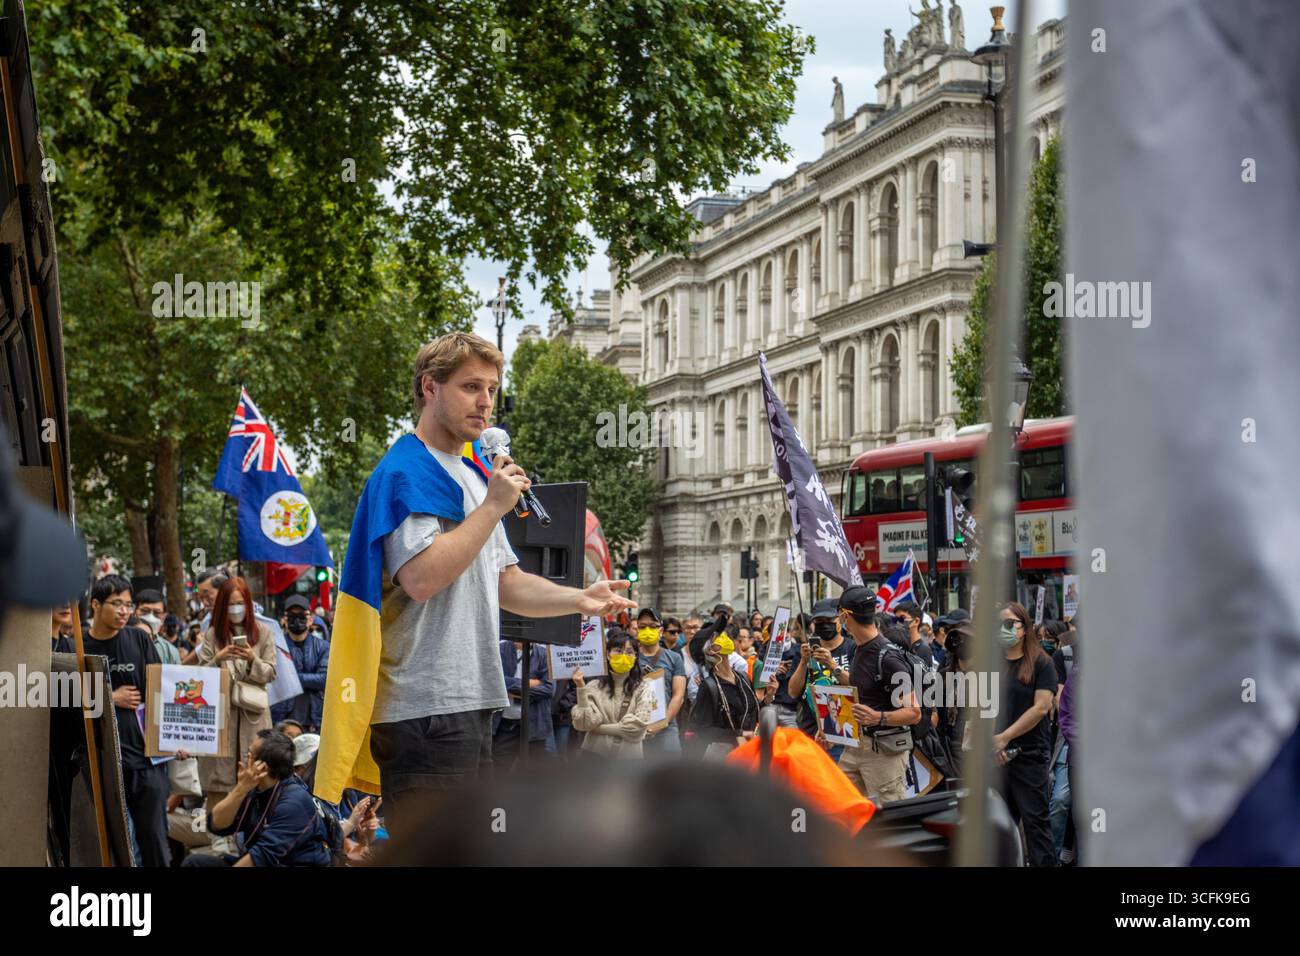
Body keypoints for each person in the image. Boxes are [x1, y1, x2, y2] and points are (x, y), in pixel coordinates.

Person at [345, 331, 633, 841]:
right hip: (426, 706)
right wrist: (494, 507)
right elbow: (421, 578)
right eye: (470, 386)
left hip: (471, 701)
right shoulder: (408, 471)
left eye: (493, 389)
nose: (485, 402)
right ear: (429, 388)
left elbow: (505, 581)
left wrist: (579, 599)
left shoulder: (477, 478)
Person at [86, 574, 171, 866]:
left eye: (128, 604)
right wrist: (111, 697)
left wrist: (178, 738)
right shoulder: (77, 645)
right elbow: (61, 698)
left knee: (155, 840)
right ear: (95, 604)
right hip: (100, 765)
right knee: (115, 843)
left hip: (147, 763)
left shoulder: (138, 639)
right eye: (116, 604)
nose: (124, 611)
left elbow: (162, 692)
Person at [184, 730, 331, 867]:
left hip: (288, 863)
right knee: (196, 862)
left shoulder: (295, 802)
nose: (243, 760)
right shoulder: (254, 788)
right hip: (263, 860)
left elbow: (262, 857)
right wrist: (240, 789)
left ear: (262, 767)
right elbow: (216, 825)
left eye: (248, 755)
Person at [197, 576, 278, 817]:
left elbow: (271, 673)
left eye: (240, 603)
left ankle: (251, 835)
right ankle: (220, 840)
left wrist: (253, 659)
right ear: (222, 605)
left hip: (254, 716)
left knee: (257, 776)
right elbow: (199, 679)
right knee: (218, 781)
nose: (236, 609)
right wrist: (218, 658)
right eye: (230, 604)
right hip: (221, 719)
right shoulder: (212, 635)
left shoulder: (263, 633)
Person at [837, 587, 921, 804]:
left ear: (845, 616)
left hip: (884, 753)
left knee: (890, 822)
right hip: (855, 745)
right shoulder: (857, 649)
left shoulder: (888, 657)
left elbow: (914, 712)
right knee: (841, 808)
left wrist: (878, 717)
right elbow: (862, 689)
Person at [994, 602, 1058, 867]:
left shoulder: (1042, 663)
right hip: (996, 759)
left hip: (1029, 756)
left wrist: (1005, 736)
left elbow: (1041, 707)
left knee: (1036, 826)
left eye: (1010, 624)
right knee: (999, 828)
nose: (1003, 629)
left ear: (1024, 627)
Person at [786, 598, 856, 759]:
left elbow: (857, 685)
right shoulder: (803, 651)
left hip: (843, 734)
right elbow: (792, 692)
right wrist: (804, 662)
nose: (824, 625)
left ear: (839, 621)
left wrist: (832, 665)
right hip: (810, 735)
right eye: (818, 621)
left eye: (828, 620)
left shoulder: (852, 648)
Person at [569, 631, 655, 757]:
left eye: (629, 652)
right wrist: (581, 688)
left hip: (629, 760)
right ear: (608, 655)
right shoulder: (593, 686)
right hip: (593, 756)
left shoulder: (643, 687)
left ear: (636, 656)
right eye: (618, 651)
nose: (624, 655)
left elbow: (636, 730)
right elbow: (584, 723)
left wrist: (597, 729)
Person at [687, 632, 773, 756]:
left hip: (749, 751)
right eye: (717, 637)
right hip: (723, 757)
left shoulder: (743, 677)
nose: (724, 637)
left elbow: (753, 713)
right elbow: (703, 730)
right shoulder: (709, 687)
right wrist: (739, 734)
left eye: (723, 634)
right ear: (710, 651)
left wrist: (768, 696)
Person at [271, 595, 330, 732]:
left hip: (315, 718)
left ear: (310, 620)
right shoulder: (275, 646)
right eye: (291, 616)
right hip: (282, 717)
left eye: (302, 615)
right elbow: (275, 678)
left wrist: (291, 677)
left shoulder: (323, 647)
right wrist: (308, 679)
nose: (297, 620)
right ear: (284, 620)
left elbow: (324, 679)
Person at [634, 607, 687, 754]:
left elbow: (678, 695)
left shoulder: (674, 658)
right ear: (637, 630)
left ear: (661, 631)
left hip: (666, 728)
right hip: (634, 727)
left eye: (653, 626)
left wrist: (660, 725)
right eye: (642, 627)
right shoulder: (629, 657)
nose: (647, 630)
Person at [493, 640, 556, 758]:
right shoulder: (499, 650)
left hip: (535, 724)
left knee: (533, 771)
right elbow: (495, 680)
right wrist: (531, 683)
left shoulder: (544, 655)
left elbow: (548, 689)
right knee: (500, 769)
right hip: (503, 725)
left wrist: (509, 687)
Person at [892, 601, 934, 667]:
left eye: (902, 618)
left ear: (916, 621)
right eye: (895, 619)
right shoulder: (896, 645)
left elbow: (920, 676)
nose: (897, 622)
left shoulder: (923, 649)